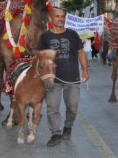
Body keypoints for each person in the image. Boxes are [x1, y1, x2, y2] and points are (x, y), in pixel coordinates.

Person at [37, 8, 89, 147]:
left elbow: (80, 52)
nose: (60, 19)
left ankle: (68, 126)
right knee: (52, 107)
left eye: (62, 16)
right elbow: (40, 57)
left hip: (72, 78)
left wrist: (84, 70)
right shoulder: (45, 37)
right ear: (51, 18)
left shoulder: (72, 34)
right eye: (57, 16)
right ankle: (55, 133)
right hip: (52, 80)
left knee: (72, 106)